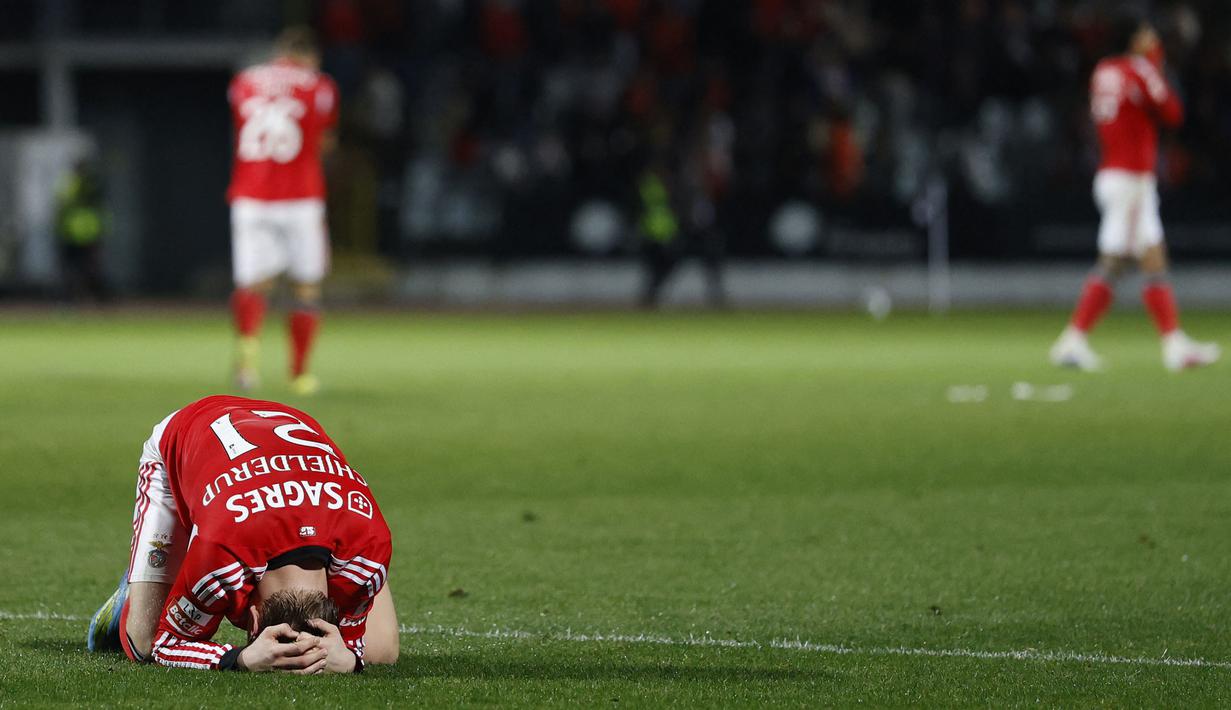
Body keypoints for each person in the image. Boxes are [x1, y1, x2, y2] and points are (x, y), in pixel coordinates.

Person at [86, 395, 398, 673]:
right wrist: (240, 659)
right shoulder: (223, 560)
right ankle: (139, 586)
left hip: (283, 437)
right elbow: (165, 645)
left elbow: (352, 649)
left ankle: (167, 571)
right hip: (189, 432)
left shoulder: (369, 553)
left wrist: (351, 660)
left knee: (379, 654)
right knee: (143, 642)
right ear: (254, 619)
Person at [1050, 16, 1219, 372]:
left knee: (1147, 256)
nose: (1152, 39)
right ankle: (1074, 340)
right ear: (1134, 39)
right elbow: (1172, 112)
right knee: (1116, 260)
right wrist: (1155, 65)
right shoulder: (1141, 69)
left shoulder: (1104, 70)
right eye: (1147, 35)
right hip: (1131, 178)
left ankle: (1172, 344)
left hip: (1114, 172)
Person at [227, 27, 339, 395]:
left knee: (253, 284)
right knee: (305, 287)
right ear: (310, 56)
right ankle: (299, 374)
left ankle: (246, 364)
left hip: (251, 194)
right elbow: (323, 141)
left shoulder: (244, 81)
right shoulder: (318, 85)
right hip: (300, 197)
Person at [55, 159, 110, 302]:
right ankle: (72, 298)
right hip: (72, 233)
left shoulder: (89, 183)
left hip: (87, 232)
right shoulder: (71, 183)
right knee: (73, 269)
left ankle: (94, 298)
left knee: (90, 268)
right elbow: (61, 206)